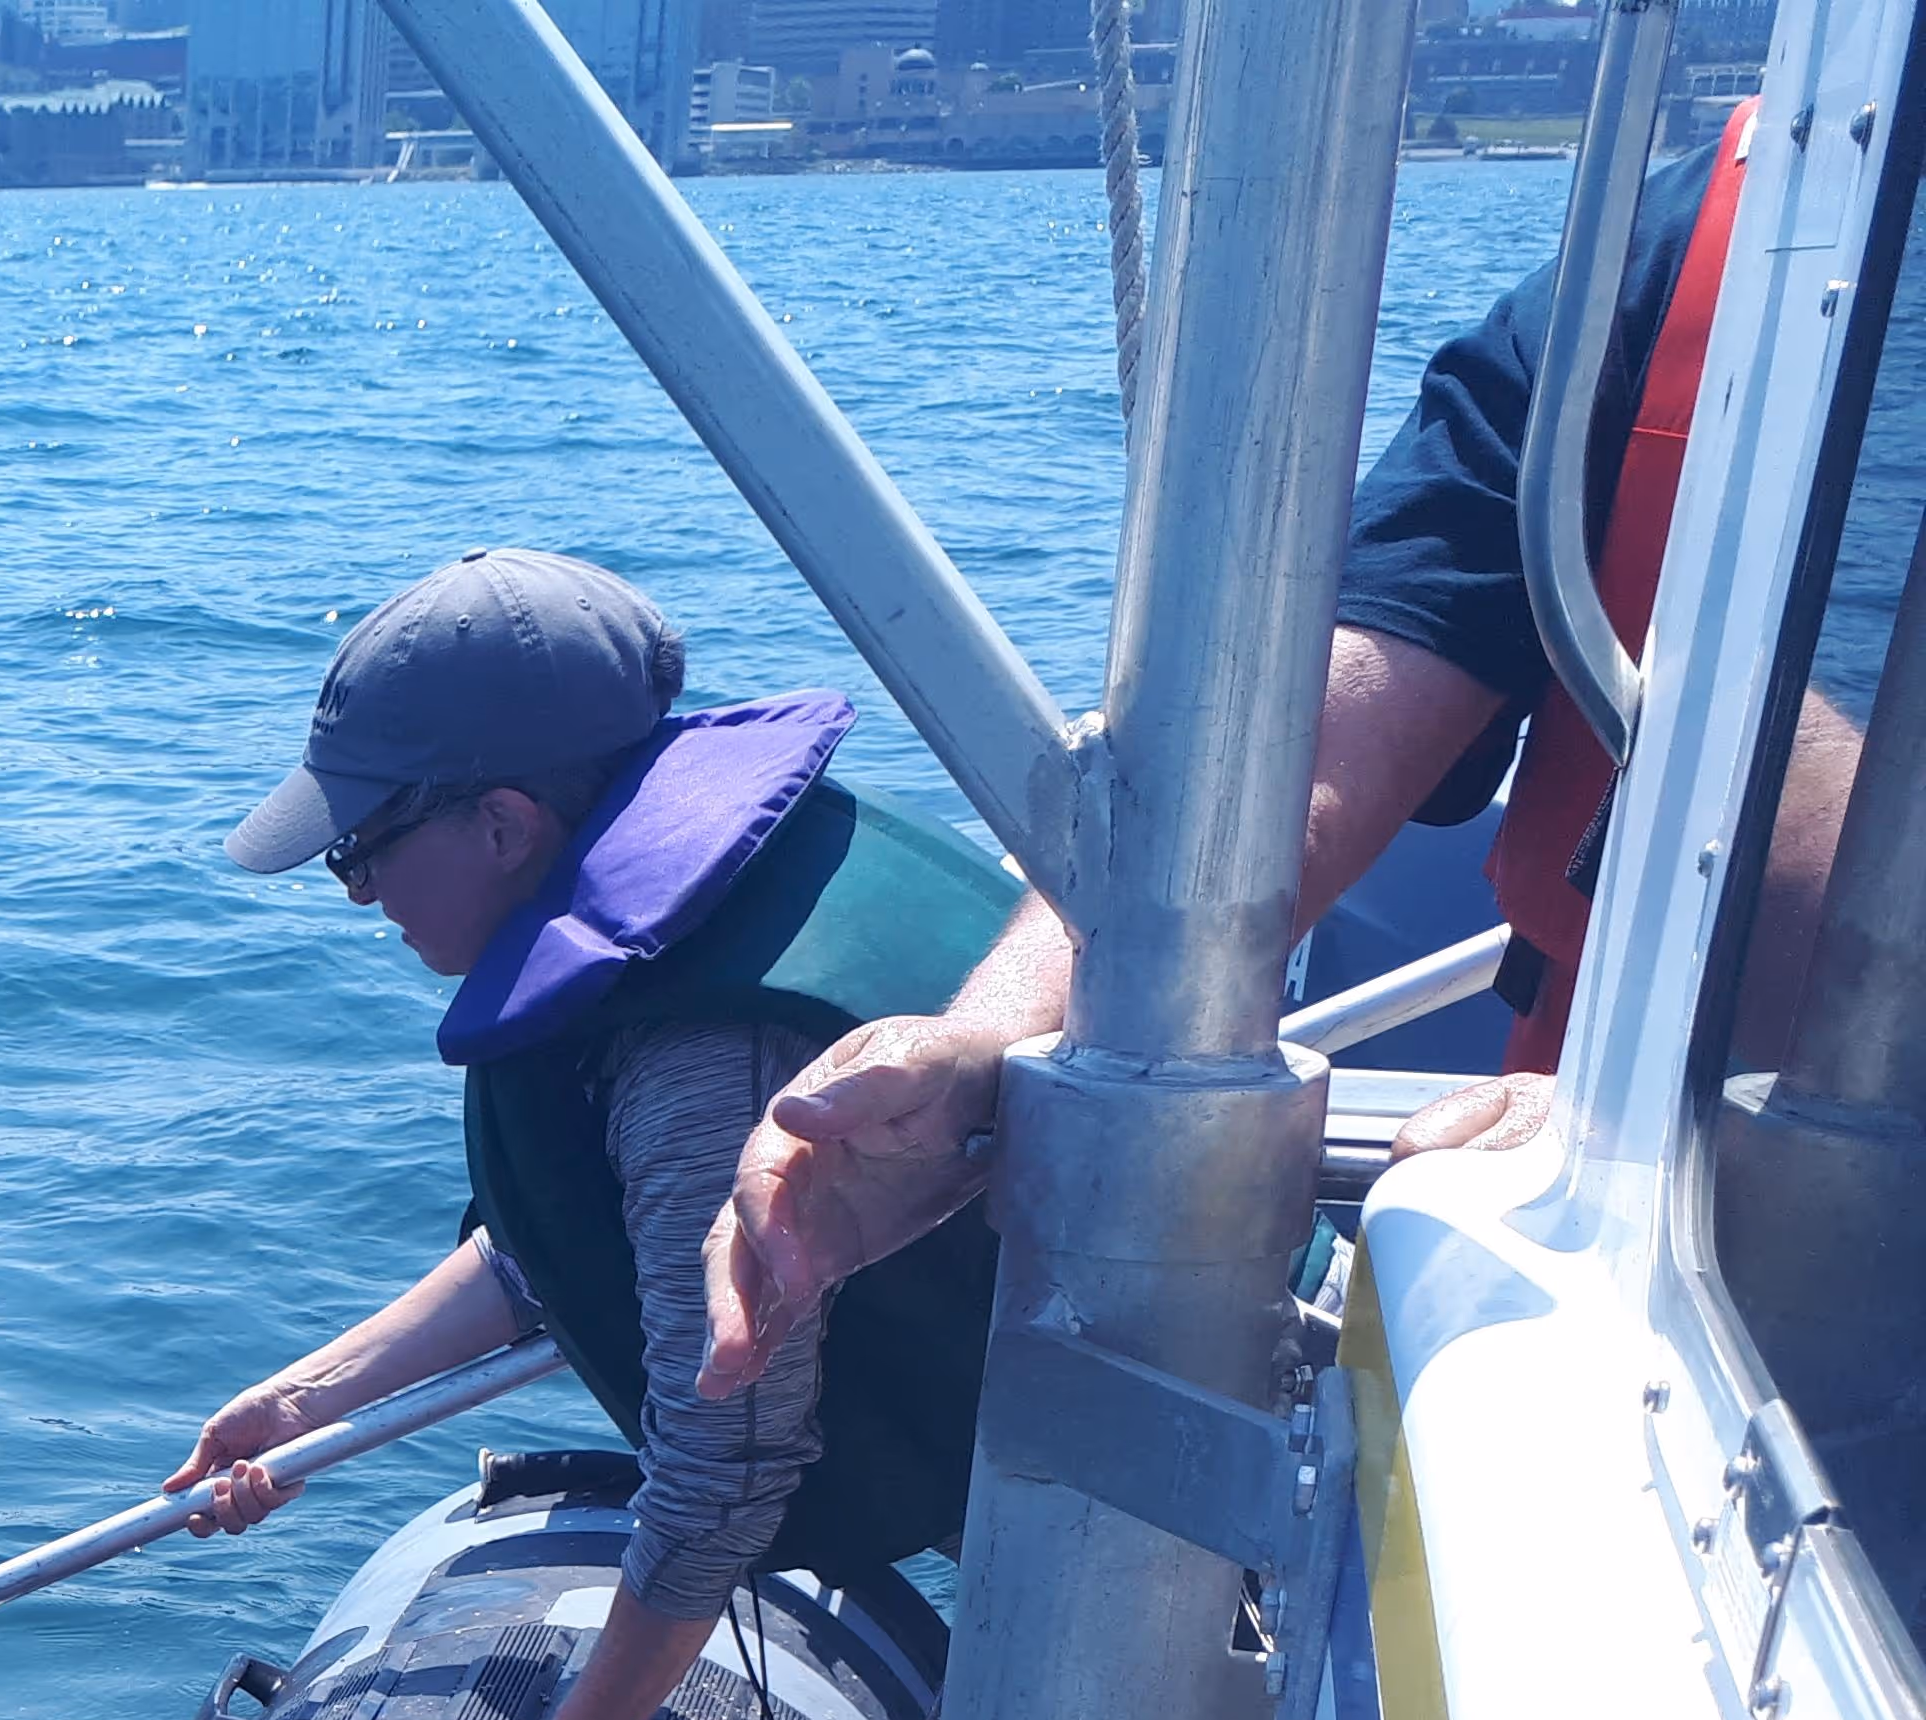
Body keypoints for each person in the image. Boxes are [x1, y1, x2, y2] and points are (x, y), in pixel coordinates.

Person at [695, 118, 1834, 1405]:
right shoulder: (1664, 271)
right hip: (1595, 1288)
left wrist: (1681, 1154)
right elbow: (1274, 782)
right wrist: (983, 1048)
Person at [167, 547, 1013, 1720]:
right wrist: (307, 1403)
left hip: (1136, 1502)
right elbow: (577, 1244)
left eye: (361, 853)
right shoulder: (763, 886)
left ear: (504, 825)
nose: (358, 895)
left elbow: (726, 1459)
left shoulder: (701, 1067)